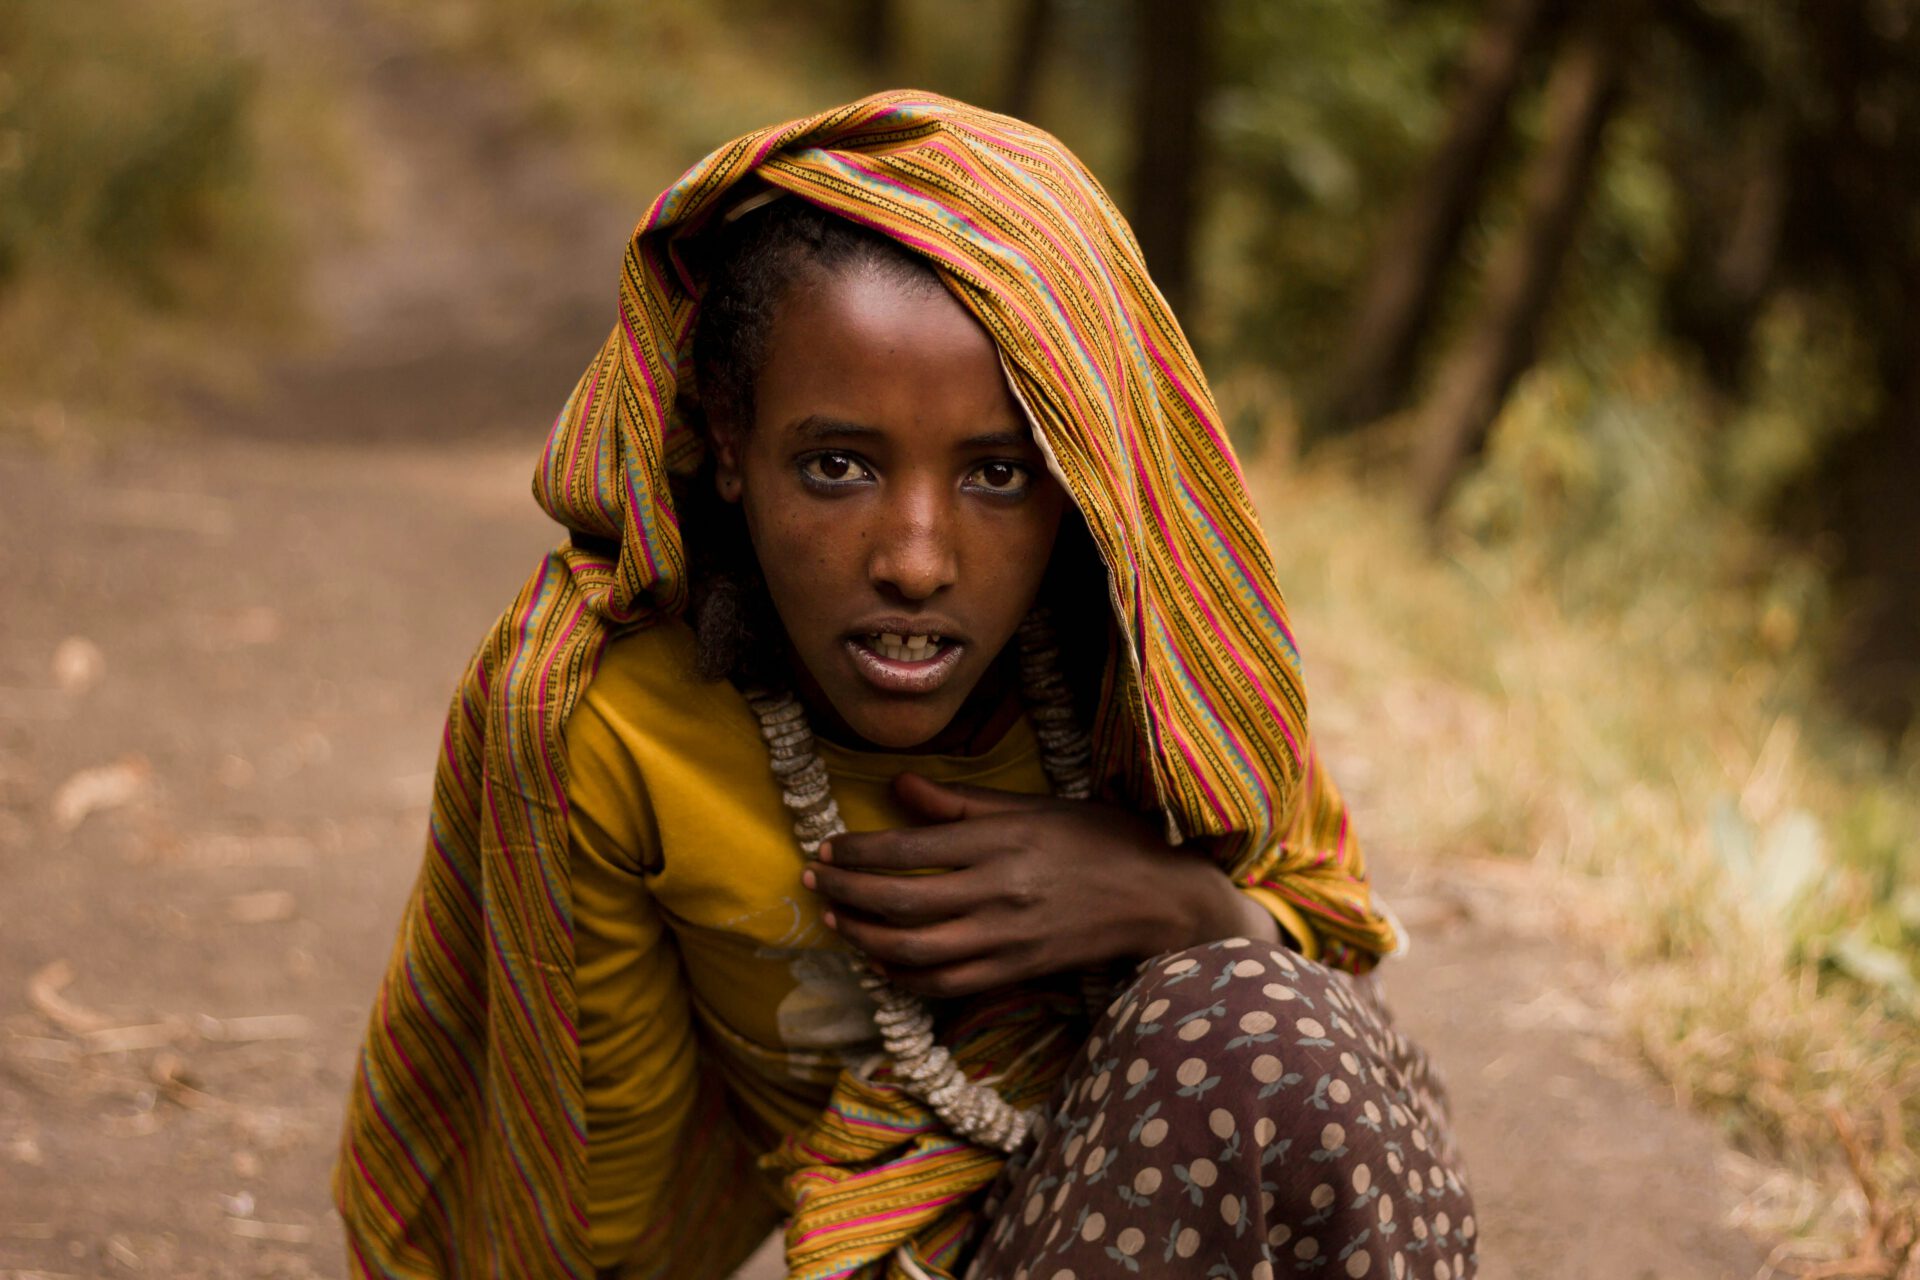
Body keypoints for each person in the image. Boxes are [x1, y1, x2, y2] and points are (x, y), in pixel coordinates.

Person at [334, 92, 1476, 1280]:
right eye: (838, 465)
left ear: (1079, 479)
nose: (916, 560)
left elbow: (1332, 955)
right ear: (727, 441)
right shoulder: (602, 722)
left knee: (1267, 1029)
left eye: (994, 473)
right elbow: (587, 1171)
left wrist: (1174, 904)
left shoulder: (1145, 665)